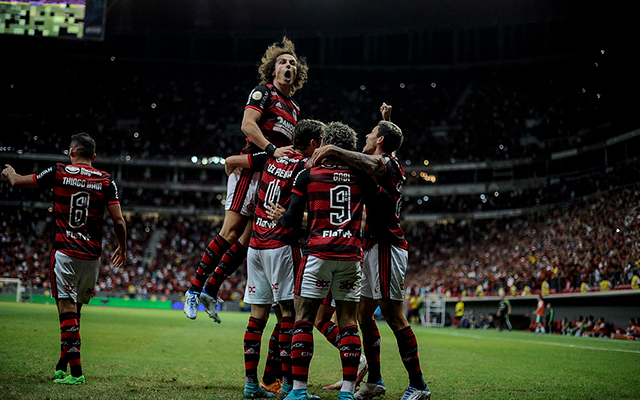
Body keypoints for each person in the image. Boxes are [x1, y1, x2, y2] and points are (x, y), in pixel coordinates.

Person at [308, 104, 431, 400]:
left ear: (379, 142)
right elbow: (383, 151)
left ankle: (418, 385)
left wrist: (335, 149)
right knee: (362, 314)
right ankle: (375, 380)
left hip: (388, 244)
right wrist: (386, 123)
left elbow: (377, 162)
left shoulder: (386, 163)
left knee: (392, 313)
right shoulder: (387, 158)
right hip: (372, 246)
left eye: (372, 132)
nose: (366, 133)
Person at [183, 36, 309, 322]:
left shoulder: (295, 109)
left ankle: (211, 289)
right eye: (282, 62)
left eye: (292, 63)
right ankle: (193, 289)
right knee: (230, 232)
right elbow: (247, 125)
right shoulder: (263, 93)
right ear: (273, 70)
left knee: (248, 239)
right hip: (250, 172)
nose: (288, 66)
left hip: (269, 176)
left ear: (297, 72)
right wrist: (272, 150)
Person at [267, 121, 392, 400]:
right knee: (348, 322)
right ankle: (347, 392)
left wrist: (281, 217)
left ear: (326, 144)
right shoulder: (361, 176)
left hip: (317, 254)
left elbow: (289, 224)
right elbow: (385, 202)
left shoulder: (309, 174)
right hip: (350, 256)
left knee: (304, 319)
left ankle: (298, 391)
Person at [2, 133, 127, 385]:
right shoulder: (106, 181)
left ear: (71, 152)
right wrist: (123, 249)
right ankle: (62, 365)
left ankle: (77, 373)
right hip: (92, 256)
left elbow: (17, 183)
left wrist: (10, 172)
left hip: (65, 252)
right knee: (75, 311)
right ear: (93, 156)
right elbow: (119, 221)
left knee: (66, 311)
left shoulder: (59, 171)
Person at [225, 119, 325, 398]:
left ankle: (250, 385)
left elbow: (240, 161)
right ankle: (290, 386)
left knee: (257, 317)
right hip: (281, 245)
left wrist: (232, 161)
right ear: (315, 143)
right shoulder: (304, 167)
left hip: (255, 245)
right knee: (289, 317)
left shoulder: (273, 156)